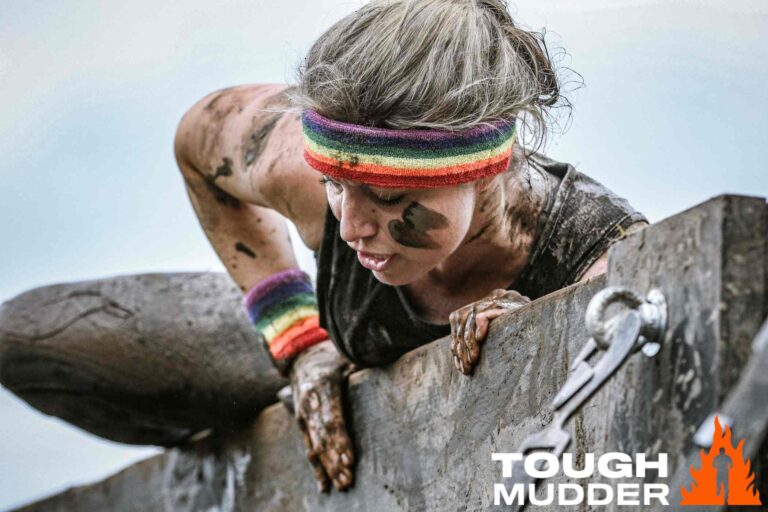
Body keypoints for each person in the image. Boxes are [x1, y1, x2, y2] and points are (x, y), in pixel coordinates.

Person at [0, 0, 647, 496]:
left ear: (482, 171)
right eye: (336, 186)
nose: (349, 229)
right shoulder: (294, 167)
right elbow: (197, 140)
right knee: (27, 338)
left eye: (389, 201)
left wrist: (539, 344)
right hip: (330, 339)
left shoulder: (602, 261)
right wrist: (297, 340)